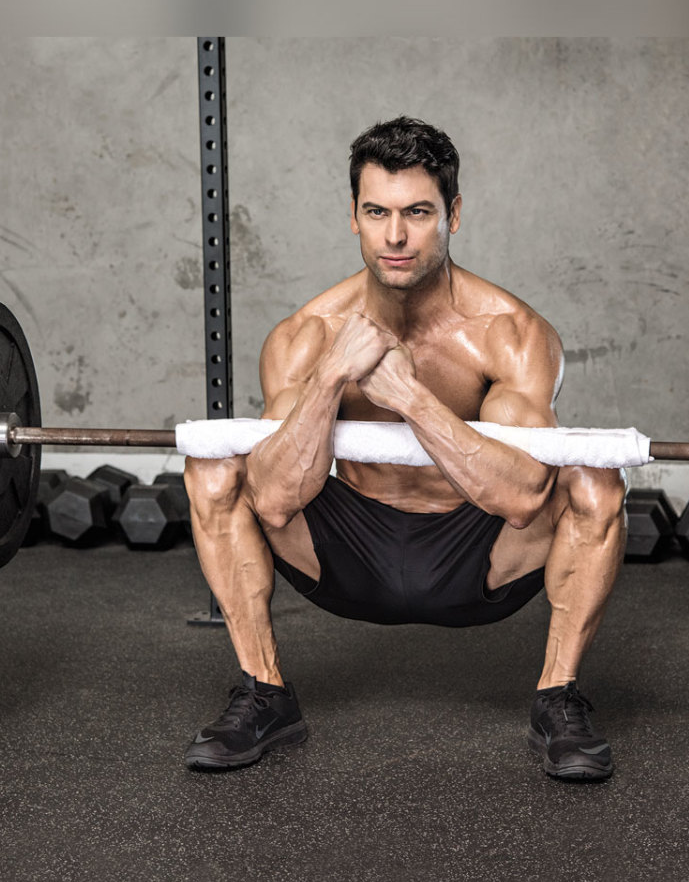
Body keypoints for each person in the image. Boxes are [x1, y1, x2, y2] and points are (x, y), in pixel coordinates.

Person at [182, 116, 625, 781]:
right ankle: (265, 691)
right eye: (377, 212)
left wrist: (411, 397)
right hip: (345, 555)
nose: (395, 236)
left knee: (596, 484)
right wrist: (333, 376)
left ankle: (557, 698)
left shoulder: (508, 335)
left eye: (418, 212)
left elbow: (525, 494)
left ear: (453, 213)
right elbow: (273, 499)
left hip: (479, 555)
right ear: (353, 216)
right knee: (214, 471)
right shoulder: (305, 337)